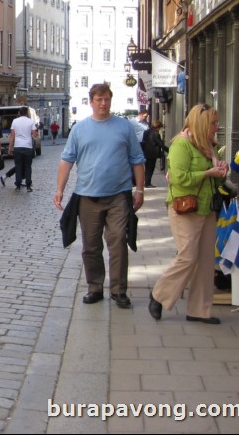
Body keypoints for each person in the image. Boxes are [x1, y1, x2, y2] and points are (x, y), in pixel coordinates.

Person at [53, 83, 145, 309]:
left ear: (110, 101)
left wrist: (140, 189)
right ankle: (94, 287)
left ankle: (118, 290)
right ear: (91, 101)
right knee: (91, 245)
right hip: (87, 197)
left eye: (106, 99)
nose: (103, 103)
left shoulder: (123, 127)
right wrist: (59, 189)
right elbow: (67, 160)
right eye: (99, 100)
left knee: (117, 242)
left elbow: (137, 159)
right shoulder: (80, 129)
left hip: (118, 196)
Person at [148, 104, 229, 325]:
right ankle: (159, 295)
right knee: (188, 257)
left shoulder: (207, 146)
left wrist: (220, 172)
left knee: (205, 261)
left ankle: (199, 310)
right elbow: (179, 178)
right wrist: (208, 172)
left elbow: (213, 180)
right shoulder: (181, 144)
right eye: (213, 123)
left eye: (216, 122)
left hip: (207, 209)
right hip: (185, 208)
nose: (216, 127)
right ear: (202, 124)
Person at [7, 107, 38, 192]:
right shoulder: (31, 121)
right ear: (27, 113)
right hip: (28, 147)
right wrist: (35, 133)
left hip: (18, 146)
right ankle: (28, 185)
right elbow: (34, 135)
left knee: (18, 166)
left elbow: (12, 135)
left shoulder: (14, 121)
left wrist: (10, 147)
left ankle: (18, 185)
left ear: (19, 113)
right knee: (28, 166)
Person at [142, 120, 168, 188]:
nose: (159, 129)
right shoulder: (156, 134)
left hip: (146, 153)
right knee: (151, 169)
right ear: (158, 127)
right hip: (153, 154)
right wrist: (169, 150)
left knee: (147, 168)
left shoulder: (146, 132)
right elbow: (161, 144)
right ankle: (148, 183)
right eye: (159, 128)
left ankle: (146, 182)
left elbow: (143, 142)